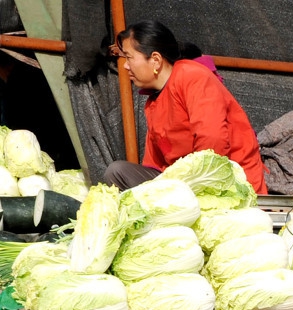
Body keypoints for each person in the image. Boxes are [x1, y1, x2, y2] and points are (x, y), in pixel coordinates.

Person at [102, 21, 266, 193]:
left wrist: (188, 190)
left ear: (156, 60)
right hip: (182, 184)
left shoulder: (192, 76)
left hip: (223, 182)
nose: (126, 65)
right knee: (117, 173)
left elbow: (213, 142)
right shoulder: (153, 100)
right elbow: (154, 165)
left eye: (128, 57)